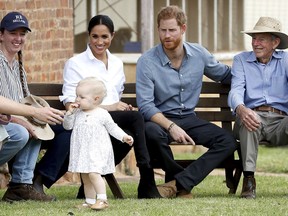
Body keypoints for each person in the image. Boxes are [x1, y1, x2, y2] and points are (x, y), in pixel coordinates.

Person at [136, 5, 238, 198]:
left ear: (183, 29)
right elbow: (146, 105)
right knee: (150, 132)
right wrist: (171, 126)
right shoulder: (147, 61)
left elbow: (225, 75)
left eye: (172, 30)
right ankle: (181, 183)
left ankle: (179, 183)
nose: (167, 35)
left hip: (189, 120)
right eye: (163, 30)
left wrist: (253, 69)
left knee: (228, 142)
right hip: (160, 120)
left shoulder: (198, 54)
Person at [61, 14, 162, 199]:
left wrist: (121, 107)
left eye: (105, 37)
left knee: (130, 133)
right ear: (88, 36)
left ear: (112, 36)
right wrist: (112, 107)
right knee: (137, 119)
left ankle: (87, 189)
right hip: (87, 121)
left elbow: (117, 94)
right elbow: (71, 103)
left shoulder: (116, 63)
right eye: (95, 36)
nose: (100, 42)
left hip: (108, 121)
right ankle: (147, 179)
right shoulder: (75, 63)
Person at [0, 11, 65, 202]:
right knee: (22, 132)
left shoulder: (18, 65)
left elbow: (24, 102)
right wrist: (27, 119)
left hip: (9, 121)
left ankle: (21, 186)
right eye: (13, 33)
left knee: (42, 127)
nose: (18, 38)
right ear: (1, 35)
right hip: (6, 124)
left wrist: (51, 114)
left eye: (22, 34)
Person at [228, 17, 288, 199]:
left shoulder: (285, 60)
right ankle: (249, 180)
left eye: (261, 39)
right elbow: (236, 90)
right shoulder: (241, 60)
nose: (255, 43)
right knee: (249, 120)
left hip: (280, 121)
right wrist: (241, 108)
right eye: (254, 39)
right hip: (252, 116)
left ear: (275, 42)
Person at [63, 77, 133, 210]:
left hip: (97, 150)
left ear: (96, 99)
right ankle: (89, 201)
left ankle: (102, 199)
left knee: (94, 174)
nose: (77, 99)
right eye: (77, 95)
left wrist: (123, 136)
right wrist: (69, 113)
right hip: (83, 150)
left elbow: (113, 128)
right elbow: (67, 126)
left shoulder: (102, 113)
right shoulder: (77, 113)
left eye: (81, 97)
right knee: (85, 175)